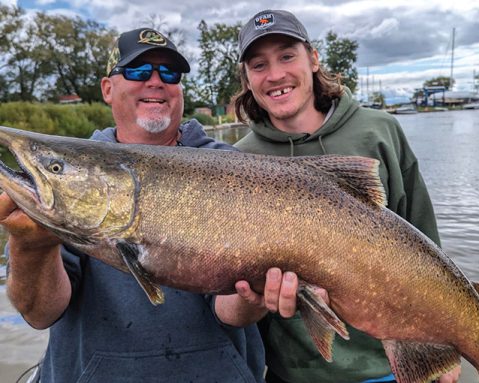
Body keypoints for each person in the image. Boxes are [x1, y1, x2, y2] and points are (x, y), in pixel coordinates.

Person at [0, 27, 295, 383]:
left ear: (180, 90)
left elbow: (227, 311)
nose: (156, 81)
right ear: (108, 88)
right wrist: (30, 248)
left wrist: (254, 297)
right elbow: (40, 313)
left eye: (169, 73)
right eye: (139, 71)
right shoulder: (76, 182)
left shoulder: (233, 171)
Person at [233, 9, 461, 383]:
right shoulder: (237, 161)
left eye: (287, 56)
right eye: (259, 65)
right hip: (293, 372)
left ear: (314, 58)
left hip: (391, 366)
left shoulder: (379, 131)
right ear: (248, 78)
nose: (275, 74)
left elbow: (426, 241)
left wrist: (446, 343)